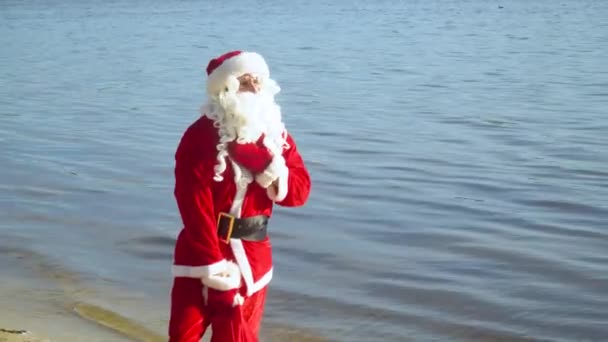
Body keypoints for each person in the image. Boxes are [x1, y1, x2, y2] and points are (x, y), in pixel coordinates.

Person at [168, 50, 311, 342]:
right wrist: (216, 273)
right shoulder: (200, 137)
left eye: (258, 80)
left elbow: (299, 193)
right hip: (201, 257)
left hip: (255, 261)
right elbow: (193, 206)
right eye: (245, 81)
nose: (255, 88)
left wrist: (266, 165)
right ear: (226, 89)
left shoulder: (275, 136)